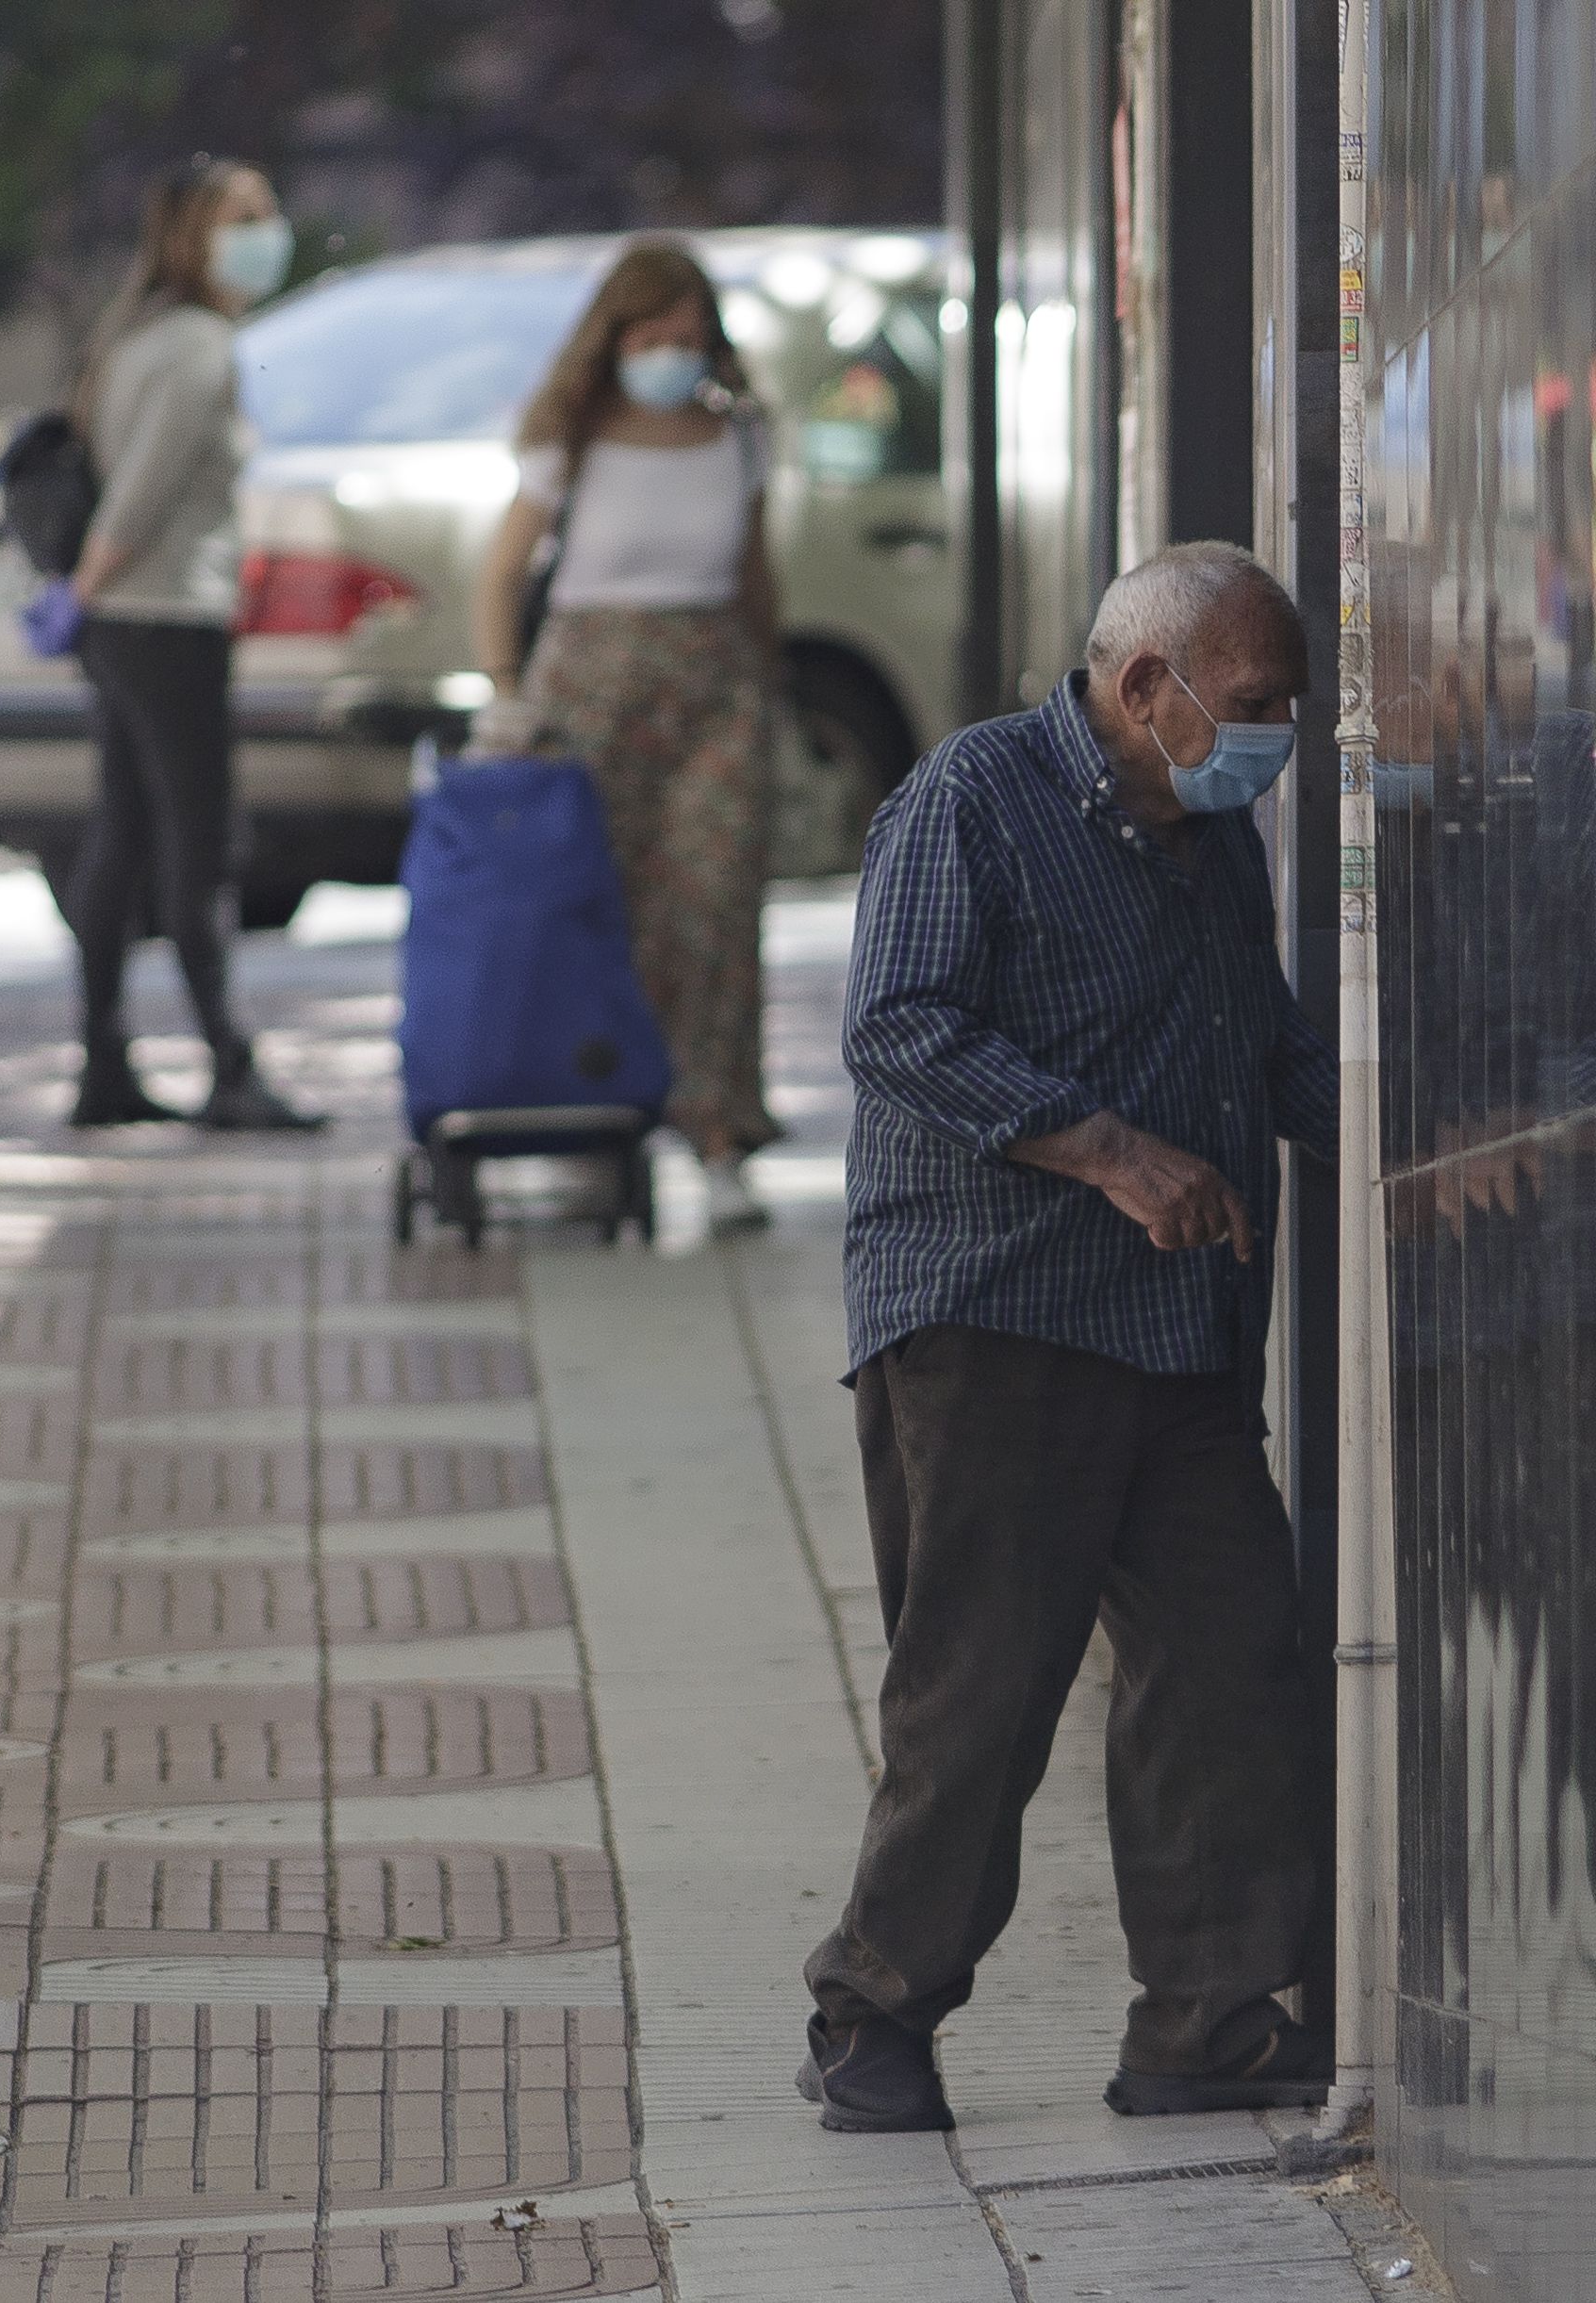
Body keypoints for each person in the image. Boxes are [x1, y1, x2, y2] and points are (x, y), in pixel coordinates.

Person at [798, 541, 1338, 2132]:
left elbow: (1274, 1044)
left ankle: (1207, 2014)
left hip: (1178, 1331)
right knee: (980, 1688)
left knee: (1228, 1660)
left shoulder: (1216, 836)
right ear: (1144, 685)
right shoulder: (972, 799)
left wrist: (1422, 1143)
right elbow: (895, 1024)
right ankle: (872, 2013)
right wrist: (1106, 1149)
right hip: (995, 1316)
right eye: (1253, 701)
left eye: (1288, 704)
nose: (1275, 733)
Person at [473, 238, 783, 1236]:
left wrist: (767, 681)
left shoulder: (741, 438)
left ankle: (721, 1133)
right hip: (590, 688)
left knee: (716, 904)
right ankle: (590, 1127)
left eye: (688, 336)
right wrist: (507, 694)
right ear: (613, 337)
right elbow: (500, 573)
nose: (671, 353)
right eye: (652, 334)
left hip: (713, 683)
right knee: (593, 907)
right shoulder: (571, 435)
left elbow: (755, 575)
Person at [63, 155, 322, 1132]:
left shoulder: (134, 339)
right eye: (244, 217)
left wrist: (86, 602)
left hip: (128, 621)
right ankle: (227, 1064)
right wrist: (89, 585)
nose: (268, 232)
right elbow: (145, 489)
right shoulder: (198, 347)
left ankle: (104, 1061)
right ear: (194, 237)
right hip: (165, 615)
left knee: (124, 833)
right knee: (197, 841)